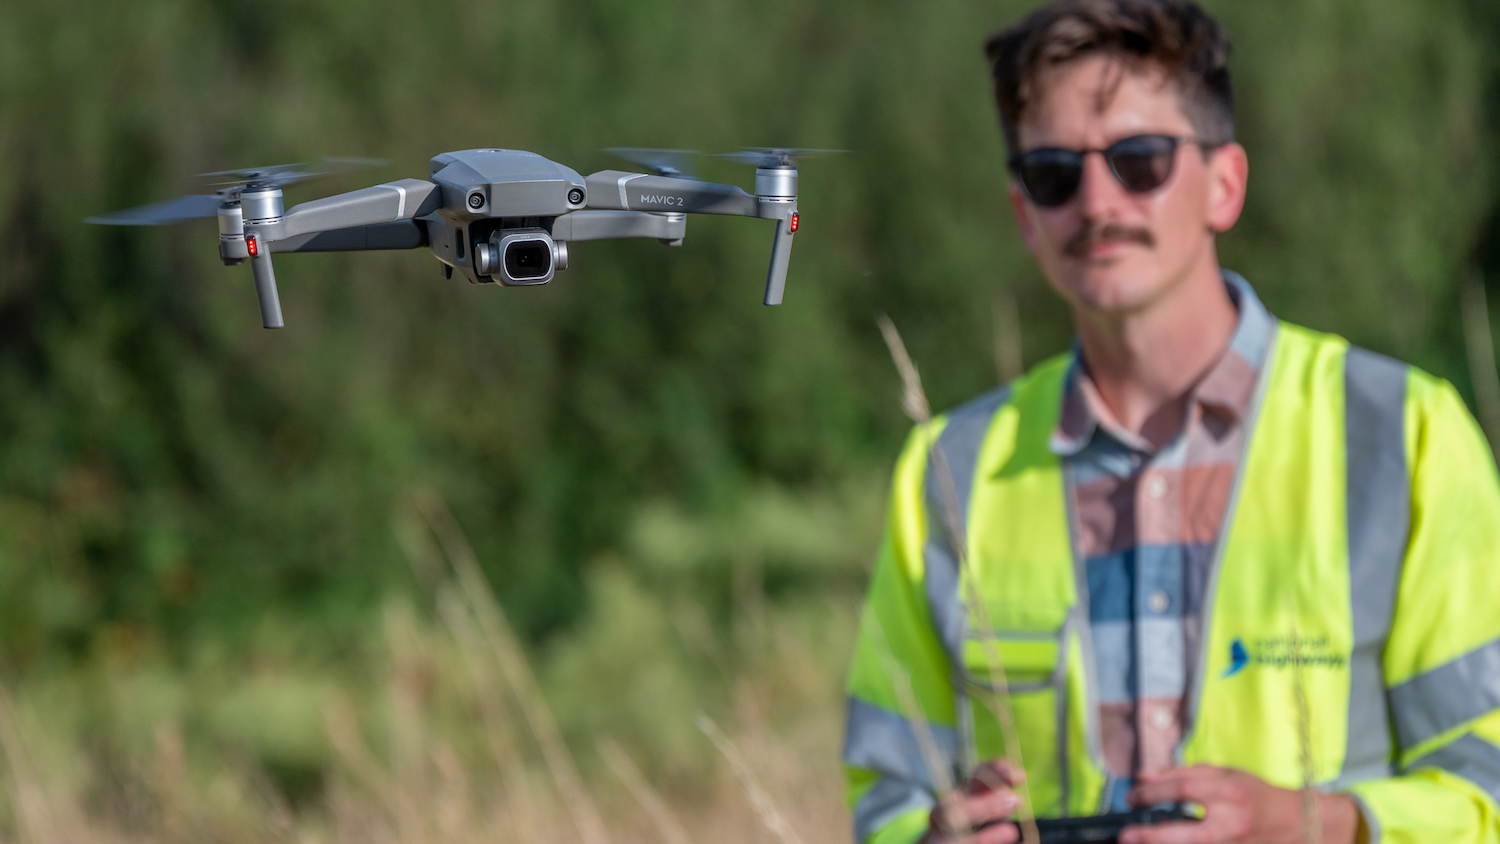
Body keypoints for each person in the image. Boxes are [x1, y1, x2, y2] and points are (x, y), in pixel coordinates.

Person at [840, 1, 1500, 842]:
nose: (1096, 201)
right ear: (1024, 215)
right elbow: (886, 793)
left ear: (1225, 184)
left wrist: (1317, 824)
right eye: (1053, 174)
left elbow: (1486, 786)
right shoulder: (949, 468)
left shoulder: (1403, 435)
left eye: (1139, 160)